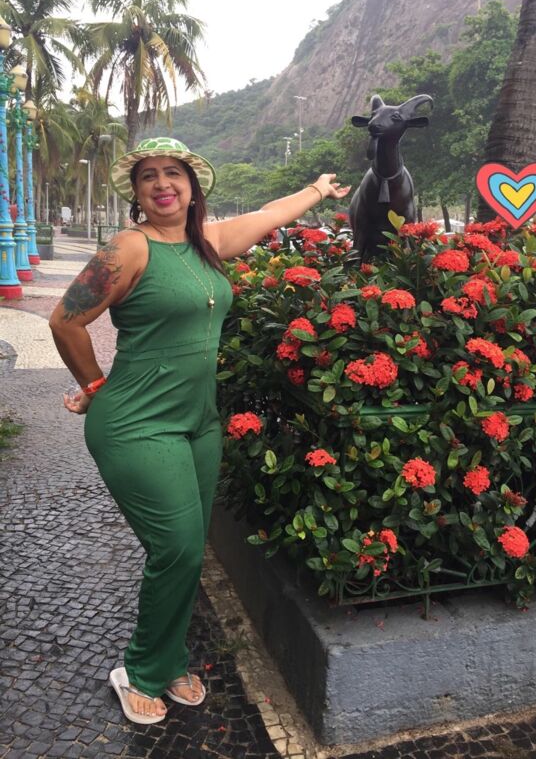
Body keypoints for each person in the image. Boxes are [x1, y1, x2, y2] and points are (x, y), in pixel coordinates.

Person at [49, 137, 350, 725]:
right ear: (137, 193)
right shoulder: (129, 247)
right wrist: (95, 386)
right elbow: (65, 321)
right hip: (136, 423)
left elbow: (268, 215)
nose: (162, 184)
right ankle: (140, 671)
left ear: (192, 187)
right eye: (149, 176)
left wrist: (317, 190)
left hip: (198, 422)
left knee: (188, 552)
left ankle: (168, 660)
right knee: (178, 549)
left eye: (174, 174)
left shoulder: (206, 243)